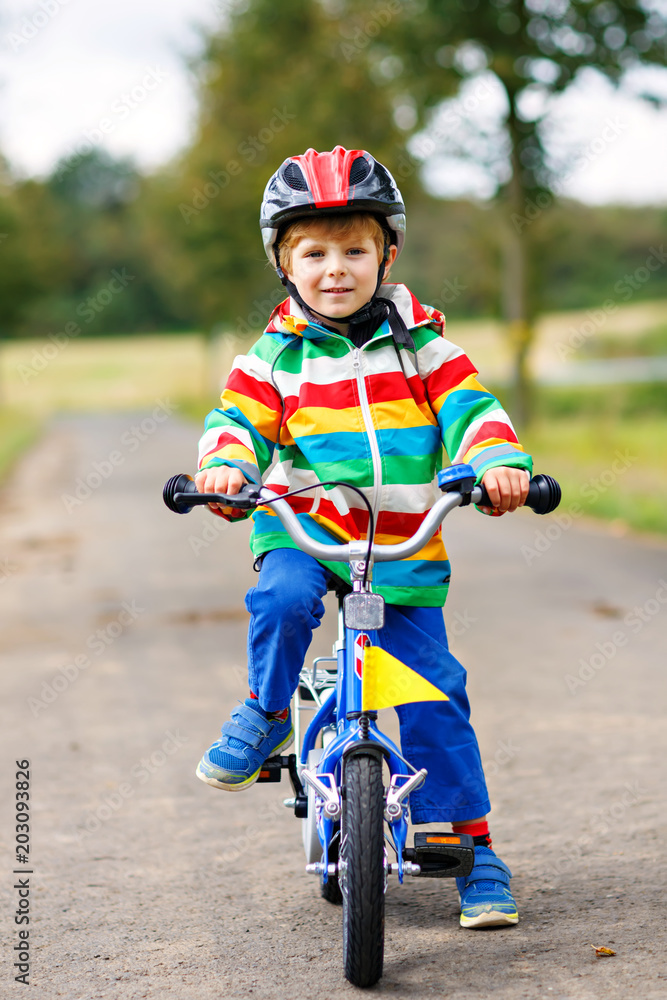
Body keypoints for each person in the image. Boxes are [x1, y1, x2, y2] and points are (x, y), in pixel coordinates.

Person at [194, 146, 531, 929]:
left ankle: (474, 849)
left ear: (388, 255)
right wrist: (225, 470)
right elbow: (233, 424)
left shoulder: (425, 348)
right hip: (303, 531)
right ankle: (265, 707)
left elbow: (472, 413)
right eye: (313, 252)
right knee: (280, 599)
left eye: (355, 249)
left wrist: (497, 463)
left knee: (437, 696)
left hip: (404, 545)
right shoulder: (272, 360)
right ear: (284, 264)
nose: (335, 268)